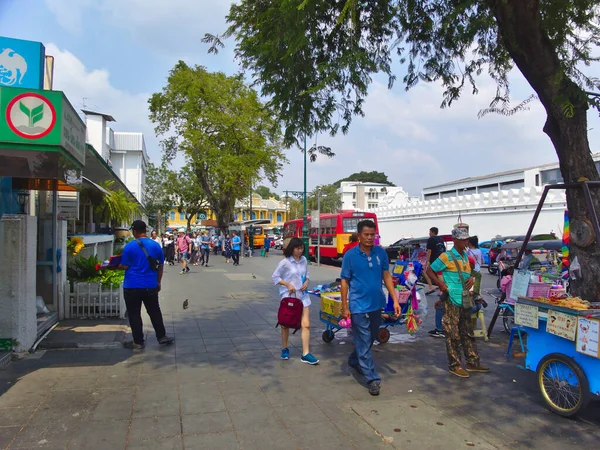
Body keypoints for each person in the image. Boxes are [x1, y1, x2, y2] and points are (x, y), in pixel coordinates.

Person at [341, 220, 400, 396]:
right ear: (359, 236)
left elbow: (387, 276)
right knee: (364, 337)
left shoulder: (380, 253)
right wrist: (345, 306)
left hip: (376, 303)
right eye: (366, 235)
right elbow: (344, 281)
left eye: (372, 235)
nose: (369, 238)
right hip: (358, 305)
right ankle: (372, 379)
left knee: (370, 337)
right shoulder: (350, 255)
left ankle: (354, 359)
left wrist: (394, 300)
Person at [426, 227, 489, 378]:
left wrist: (472, 278)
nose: (466, 242)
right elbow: (429, 270)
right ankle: (455, 365)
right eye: (463, 239)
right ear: (455, 240)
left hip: (464, 299)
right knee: (452, 334)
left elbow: (469, 274)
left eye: (467, 239)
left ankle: (472, 362)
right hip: (452, 299)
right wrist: (440, 285)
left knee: (467, 332)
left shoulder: (465, 257)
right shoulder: (446, 256)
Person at [119, 220, 174, 349]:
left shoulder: (129, 246)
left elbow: (125, 265)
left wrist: (113, 266)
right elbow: (160, 267)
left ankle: (138, 342)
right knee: (154, 311)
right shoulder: (155, 246)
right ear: (146, 231)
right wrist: (158, 282)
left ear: (135, 231)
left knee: (134, 314)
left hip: (132, 285)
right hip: (150, 285)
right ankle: (161, 337)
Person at [272, 237, 319, 365]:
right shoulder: (285, 262)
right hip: (289, 297)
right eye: (297, 248)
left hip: (303, 296)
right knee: (285, 324)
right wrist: (287, 284)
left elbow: (307, 274)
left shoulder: (304, 260)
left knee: (306, 324)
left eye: (301, 248)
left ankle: (305, 353)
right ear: (292, 249)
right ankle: (285, 348)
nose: (300, 251)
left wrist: (307, 281)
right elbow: (275, 277)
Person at [425, 227, 446, 294]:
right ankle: (439, 289)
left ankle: (433, 287)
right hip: (441, 258)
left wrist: (427, 261)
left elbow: (429, 251)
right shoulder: (441, 239)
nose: (429, 233)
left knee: (426, 271)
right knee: (439, 274)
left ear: (433, 232)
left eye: (430, 232)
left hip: (434, 259)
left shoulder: (431, 239)